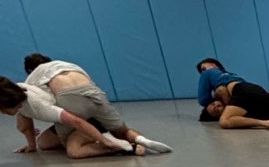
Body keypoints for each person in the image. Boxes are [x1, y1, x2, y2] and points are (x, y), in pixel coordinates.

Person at [23, 55, 171, 155]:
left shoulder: (33, 77)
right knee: (122, 130)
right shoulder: (65, 65)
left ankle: (119, 147)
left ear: (30, 70)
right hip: (94, 93)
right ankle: (141, 140)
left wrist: (31, 145)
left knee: (69, 147)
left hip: (68, 98)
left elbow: (27, 106)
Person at [1, 75, 139, 157]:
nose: (2, 113)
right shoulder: (18, 91)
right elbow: (24, 119)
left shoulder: (39, 106)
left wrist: (104, 141)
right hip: (67, 114)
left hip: (79, 117)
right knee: (43, 143)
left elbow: (76, 121)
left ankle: (122, 145)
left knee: (74, 152)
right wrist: (31, 145)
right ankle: (97, 135)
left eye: (2, 109)